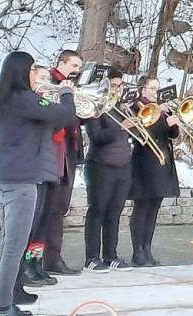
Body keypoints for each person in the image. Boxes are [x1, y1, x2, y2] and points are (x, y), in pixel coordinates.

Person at [0, 51, 76, 316]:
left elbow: (44, 127)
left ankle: (6, 301)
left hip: (8, 178)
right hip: (21, 183)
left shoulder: (7, 100)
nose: (35, 75)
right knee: (13, 249)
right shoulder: (23, 99)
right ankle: (3, 308)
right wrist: (66, 93)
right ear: (22, 72)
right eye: (32, 70)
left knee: (9, 246)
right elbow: (66, 116)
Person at [36, 49, 85, 277]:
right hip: (53, 153)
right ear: (62, 63)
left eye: (79, 67)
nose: (77, 71)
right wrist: (67, 95)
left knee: (58, 210)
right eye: (74, 66)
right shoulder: (50, 83)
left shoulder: (71, 88)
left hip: (68, 153)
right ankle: (35, 261)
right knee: (45, 211)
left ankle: (53, 258)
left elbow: (76, 116)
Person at [82, 67, 134, 272]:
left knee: (114, 213)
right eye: (113, 85)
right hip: (100, 165)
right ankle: (91, 258)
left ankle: (111, 255)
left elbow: (131, 136)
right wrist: (121, 127)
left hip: (123, 166)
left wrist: (136, 124)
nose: (117, 89)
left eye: (120, 86)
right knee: (97, 211)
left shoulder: (123, 107)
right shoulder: (96, 108)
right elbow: (97, 137)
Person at [127, 75, 180, 267]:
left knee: (154, 207)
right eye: (153, 88)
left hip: (162, 160)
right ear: (143, 90)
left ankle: (147, 249)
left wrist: (173, 121)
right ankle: (137, 252)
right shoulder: (136, 107)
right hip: (144, 160)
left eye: (158, 88)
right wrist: (164, 121)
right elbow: (145, 132)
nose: (156, 92)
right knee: (142, 207)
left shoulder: (161, 108)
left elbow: (172, 134)